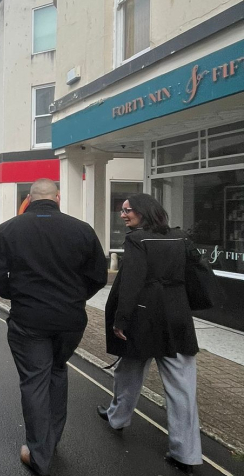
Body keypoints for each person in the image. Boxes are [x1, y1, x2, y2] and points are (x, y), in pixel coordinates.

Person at [0, 178, 107, 476]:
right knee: (57, 369)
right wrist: (76, 297)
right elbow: (99, 276)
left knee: (35, 379)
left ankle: (39, 454)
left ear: (30, 197)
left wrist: (15, 294)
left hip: (29, 319)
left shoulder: (9, 229)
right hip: (70, 321)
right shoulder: (82, 230)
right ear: (58, 197)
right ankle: (50, 441)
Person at [98, 193, 202, 474]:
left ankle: (117, 419)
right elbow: (196, 274)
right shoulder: (180, 237)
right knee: (182, 386)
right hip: (177, 315)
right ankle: (187, 454)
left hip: (143, 316)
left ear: (144, 211)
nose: (123, 215)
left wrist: (120, 320)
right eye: (122, 210)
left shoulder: (136, 239)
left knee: (129, 370)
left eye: (127, 210)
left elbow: (130, 281)